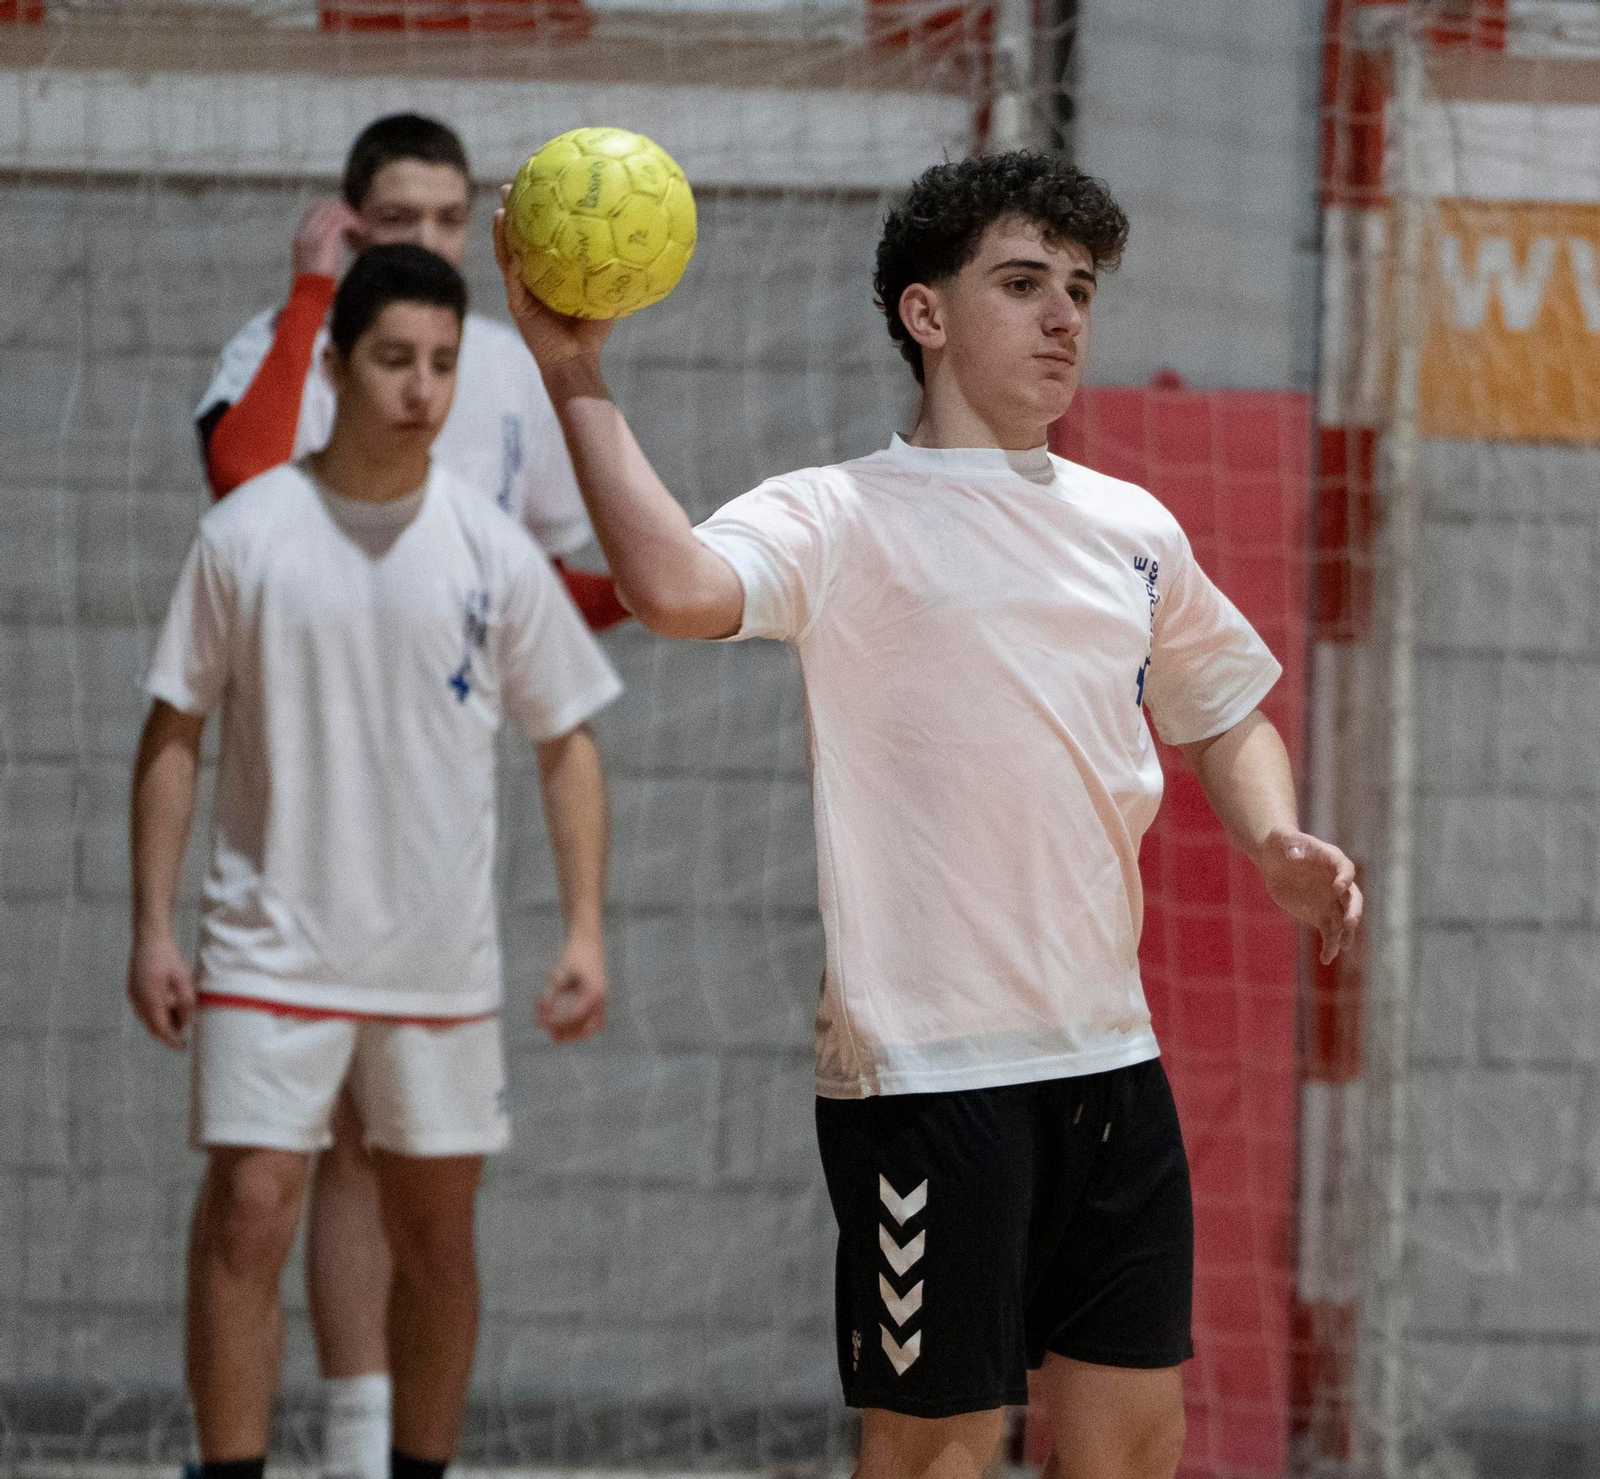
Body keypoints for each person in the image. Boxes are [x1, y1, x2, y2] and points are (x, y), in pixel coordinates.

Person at [492, 151, 1363, 1479]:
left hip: (1112, 1066)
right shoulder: (837, 512)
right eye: (1024, 283)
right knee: (937, 1455)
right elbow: (670, 586)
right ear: (927, 314)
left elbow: (1225, 704)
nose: (1066, 314)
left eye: (1080, 288)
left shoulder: (1131, 527)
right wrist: (572, 374)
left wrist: (1272, 837)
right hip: (929, 1077)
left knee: (1132, 1445)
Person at [129, 245, 622, 1479]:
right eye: (396, 358)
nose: (422, 387)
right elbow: (172, 731)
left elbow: (567, 743)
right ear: (339, 364)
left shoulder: (491, 548)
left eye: (445, 363)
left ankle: (416, 1470)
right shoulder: (246, 534)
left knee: (436, 1237)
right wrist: (150, 927)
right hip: (266, 946)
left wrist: (582, 931)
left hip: (434, 960)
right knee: (250, 1211)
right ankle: (230, 1469)